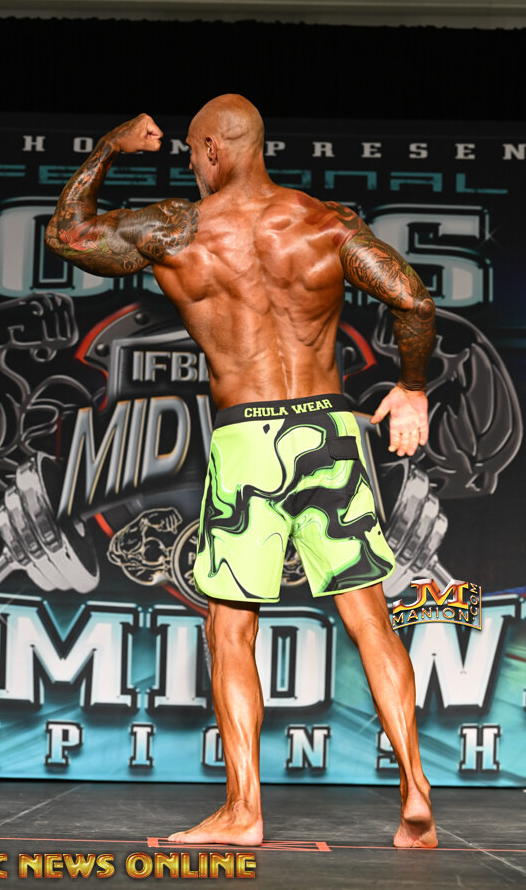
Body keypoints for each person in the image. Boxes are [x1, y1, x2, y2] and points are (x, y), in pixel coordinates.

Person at [45, 94, 438, 849]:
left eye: (194, 154)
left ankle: (244, 809)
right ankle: (416, 790)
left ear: (213, 150)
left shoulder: (177, 229)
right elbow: (413, 301)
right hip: (328, 431)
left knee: (231, 626)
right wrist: (412, 388)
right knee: (368, 615)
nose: (192, 167)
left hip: (248, 439)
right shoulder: (325, 223)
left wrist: (110, 147)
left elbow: (67, 232)